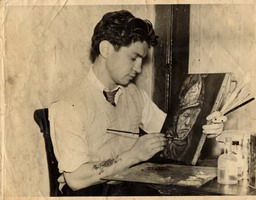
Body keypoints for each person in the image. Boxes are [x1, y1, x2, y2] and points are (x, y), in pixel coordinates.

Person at [49, 10, 226, 196]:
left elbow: (171, 134)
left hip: (128, 188)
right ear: (106, 49)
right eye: (133, 58)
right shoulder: (69, 104)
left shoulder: (134, 94)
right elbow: (76, 179)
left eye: (142, 60)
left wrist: (206, 129)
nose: (139, 68)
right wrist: (134, 154)